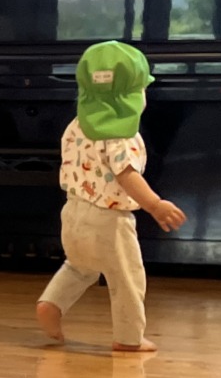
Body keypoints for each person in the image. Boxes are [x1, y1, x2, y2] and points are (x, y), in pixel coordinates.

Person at [36, 41, 186, 354]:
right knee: (128, 279)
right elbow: (126, 175)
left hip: (73, 213)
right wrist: (155, 204)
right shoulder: (121, 136)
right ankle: (129, 338)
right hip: (109, 221)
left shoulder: (76, 126)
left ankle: (51, 303)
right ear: (130, 98)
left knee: (79, 267)